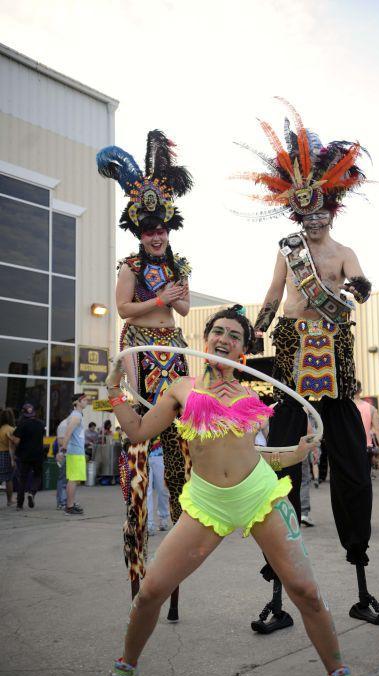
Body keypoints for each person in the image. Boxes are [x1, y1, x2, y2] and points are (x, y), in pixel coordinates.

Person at [94, 305, 377, 676]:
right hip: (207, 502)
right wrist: (115, 392)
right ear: (206, 338)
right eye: (218, 332)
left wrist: (298, 453)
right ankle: (124, 672)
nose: (224, 339)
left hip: (259, 495)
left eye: (234, 336)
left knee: (306, 591)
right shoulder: (181, 389)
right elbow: (137, 432)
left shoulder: (251, 395)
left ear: (243, 350)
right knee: (151, 590)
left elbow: (258, 455)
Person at [236, 100, 379, 628]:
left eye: (321, 211)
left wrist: (362, 289)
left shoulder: (344, 250)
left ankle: (361, 581)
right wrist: (257, 325)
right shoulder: (288, 250)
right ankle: (275, 595)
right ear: (297, 213)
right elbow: (275, 294)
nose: (314, 220)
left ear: (332, 208)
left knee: (351, 471)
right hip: (291, 357)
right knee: (280, 469)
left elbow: (362, 288)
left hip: (336, 360)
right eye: (305, 213)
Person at [97, 130, 192, 614]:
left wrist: (178, 297)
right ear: (138, 229)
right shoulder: (130, 265)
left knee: (179, 446)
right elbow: (122, 309)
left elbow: (187, 312)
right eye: (148, 227)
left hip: (173, 350)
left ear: (170, 227)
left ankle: (174, 572)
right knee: (139, 442)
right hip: (139, 349)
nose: (156, 234)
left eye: (162, 227)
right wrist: (161, 299)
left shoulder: (178, 264)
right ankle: (138, 570)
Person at [11, 403, 45, 510]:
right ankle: (32, 492)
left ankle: (19, 505)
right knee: (38, 475)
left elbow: (16, 441)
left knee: (23, 479)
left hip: (25, 455)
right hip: (38, 455)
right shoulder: (41, 424)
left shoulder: (22, 425)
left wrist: (10, 438)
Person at [61, 393, 88, 516]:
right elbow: (67, 433)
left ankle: (70, 505)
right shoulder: (76, 416)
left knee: (72, 480)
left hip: (75, 452)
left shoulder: (76, 415)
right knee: (73, 480)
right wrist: (63, 450)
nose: (87, 401)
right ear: (77, 402)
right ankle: (69, 507)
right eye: (84, 399)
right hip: (75, 453)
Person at [353, 382, 379, 471]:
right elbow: (378, 430)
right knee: (365, 477)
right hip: (366, 447)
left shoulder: (343, 407)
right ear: (360, 390)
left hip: (348, 447)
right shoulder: (371, 408)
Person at [146, 447, 170, 535]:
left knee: (163, 489)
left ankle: (163, 518)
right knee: (146, 491)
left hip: (160, 455)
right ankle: (149, 524)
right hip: (142, 455)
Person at [0, 408, 16, 506]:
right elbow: (11, 446)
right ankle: (9, 500)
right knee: (8, 478)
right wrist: (12, 460)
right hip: (6, 455)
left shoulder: (0, 429)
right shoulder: (11, 429)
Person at [54, 415, 69, 510]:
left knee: (66, 480)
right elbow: (60, 441)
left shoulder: (68, 423)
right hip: (64, 455)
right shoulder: (64, 425)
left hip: (68, 455)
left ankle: (64, 501)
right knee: (63, 480)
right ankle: (62, 502)